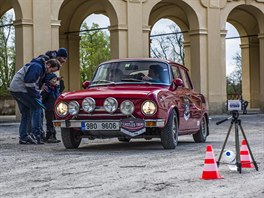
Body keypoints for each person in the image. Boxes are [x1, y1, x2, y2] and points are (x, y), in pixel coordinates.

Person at [9, 58, 61, 144]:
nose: (51, 73)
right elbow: (29, 83)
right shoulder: (37, 67)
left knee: (26, 112)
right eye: (52, 70)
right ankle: (36, 135)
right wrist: (37, 95)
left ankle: (24, 137)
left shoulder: (39, 67)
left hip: (15, 89)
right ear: (48, 65)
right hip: (21, 89)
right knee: (37, 108)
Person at [41, 73, 61, 143]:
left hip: (55, 108)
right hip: (49, 108)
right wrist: (45, 105)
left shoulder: (56, 88)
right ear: (49, 80)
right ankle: (50, 136)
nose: (55, 81)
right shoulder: (46, 89)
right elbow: (43, 99)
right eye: (53, 79)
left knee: (54, 122)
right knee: (50, 122)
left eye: (56, 79)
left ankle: (53, 136)